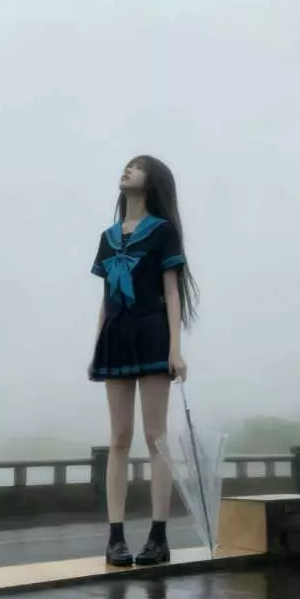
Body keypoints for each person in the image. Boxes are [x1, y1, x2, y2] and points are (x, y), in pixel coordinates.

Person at [88, 155, 199, 566]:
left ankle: (158, 537)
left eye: (136, 166)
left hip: (152, 334)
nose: (127, 170)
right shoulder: (107, 236)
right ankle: (115, 538)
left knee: (156, 437)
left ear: (152, 181)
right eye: (126, 165)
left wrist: (175, 349)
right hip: (116, 336)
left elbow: (172, 292)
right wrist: (97, 344)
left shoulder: (163, 231)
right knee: (119, 437)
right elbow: (106, 299)